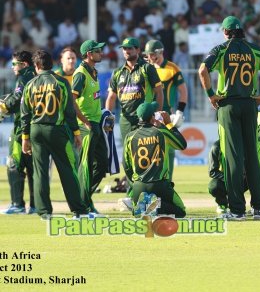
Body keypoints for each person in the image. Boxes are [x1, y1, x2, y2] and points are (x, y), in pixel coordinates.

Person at [199, 15, 260, 220]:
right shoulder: (254, 50)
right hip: (250, 105)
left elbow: (203, 69)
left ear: (225, 32)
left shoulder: (221, 50)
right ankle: (259, 208)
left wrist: (211, 94)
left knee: (233, 158)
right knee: (252, 157)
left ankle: (237, 210)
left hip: (228, 105)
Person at [20, 50, 89, 219]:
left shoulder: (30, 84)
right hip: (56, 130)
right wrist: (76, 132)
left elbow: (25, 114)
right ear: (52, 63)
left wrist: (25, 138)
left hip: (36, 130)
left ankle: (44, 212)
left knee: (40, 172)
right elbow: (69, 111)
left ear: (36, 65)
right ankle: (78, 211)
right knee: (67, 170)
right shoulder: (61, 82)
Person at [123, 101, 187, 218]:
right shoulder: (161, 132)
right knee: (180, 211)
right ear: (153, 117)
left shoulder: (130, 137)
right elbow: (182, 144)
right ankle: (154, 207)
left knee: (140, 209)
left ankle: (140, 207)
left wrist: (134, 185)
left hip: (138, 186)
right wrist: (168, 124)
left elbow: (126, 165)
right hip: (160, 186)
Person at [72, 40, 108, 214]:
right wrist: (85, 121)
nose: (101, 52)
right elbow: (72, 102)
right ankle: (83, 207)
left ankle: (83, 199)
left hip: (96, 123)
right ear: (88, 54)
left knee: (101, 164)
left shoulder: (93, 71)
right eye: (97, 50)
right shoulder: (80, 74)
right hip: (86, 125)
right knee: (85, 165)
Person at [143, 39, 188, 180]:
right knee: (148, 148)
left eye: (151, 54)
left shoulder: (172, 68)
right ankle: (151, 181)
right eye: (148, 54)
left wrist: (180, 110)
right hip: (148, 113)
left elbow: (183, 91)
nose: (149, 57)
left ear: (159, 52)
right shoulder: (145, 68)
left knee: (169, 148)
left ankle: (168, 182)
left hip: (165, 113)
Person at [105, 37, 163, 144]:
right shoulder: (117, 72)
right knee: (127, 155)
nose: (127, 51)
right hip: (125, 120)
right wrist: (107, 117)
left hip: (144, 118)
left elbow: (159, 92)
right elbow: (111, 97)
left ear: (138, 50)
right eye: (124, 49)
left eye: (130, 48)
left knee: (143, 154)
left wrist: (158, 116)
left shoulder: (147, 68)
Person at [0, 51, 36, 214]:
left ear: (24, 64)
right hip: (36, 128)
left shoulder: (23, 77)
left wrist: (4, 107)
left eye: (15, 64)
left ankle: (17, 204)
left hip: (21, 129)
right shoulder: (36, 76)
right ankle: (37, 205)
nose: (13, 67)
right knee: (34, 168)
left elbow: (17, 101)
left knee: (14, 164)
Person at [208, 139, 248, 215]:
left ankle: (258, 207)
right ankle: (222, 204)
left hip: (244, 180)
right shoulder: (216, 146)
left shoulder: (246, 143)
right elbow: (212, 172)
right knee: (214, 186)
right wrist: (229, 178)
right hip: (225, 180)